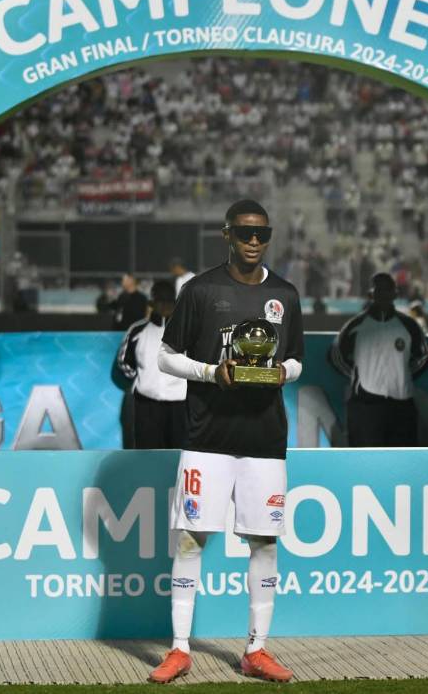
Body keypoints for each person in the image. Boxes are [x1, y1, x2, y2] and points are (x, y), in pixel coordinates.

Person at [148, 199, 304, 684]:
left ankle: (256, 650)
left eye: (262, 234)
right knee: (191, 540)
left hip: (263, 439)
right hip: (207, 437)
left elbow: (297, 360)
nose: (254, 242)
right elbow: (166, 357)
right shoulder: (200, 290)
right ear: (227, 235)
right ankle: (178, 649)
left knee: (264, 541)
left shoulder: (285, 295)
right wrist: (213, 372)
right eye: (245, 234)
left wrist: (282, 372)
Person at [330, 273, 428, 447]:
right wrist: (357, 376)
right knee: (366, 464)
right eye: (379, 290)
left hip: (402, 404)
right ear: (371, 294)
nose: (384, 294)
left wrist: (404, 375)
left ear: (395, 294)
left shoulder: (409, 326)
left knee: (402, 465)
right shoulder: (355, 326)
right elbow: (335, 356)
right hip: (365, 406)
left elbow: (425, 356)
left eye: (388, 290)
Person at [116, 279, 186, 449]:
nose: (164, 306)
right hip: (146, 405)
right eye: (160, 302)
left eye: (168, 302)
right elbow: (124, 362)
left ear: (175, 303)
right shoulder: (138, 330)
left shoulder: (187, 330)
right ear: (152, 304)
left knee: (178, 456)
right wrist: (143, 380)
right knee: (147, 454)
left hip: (180, 406)